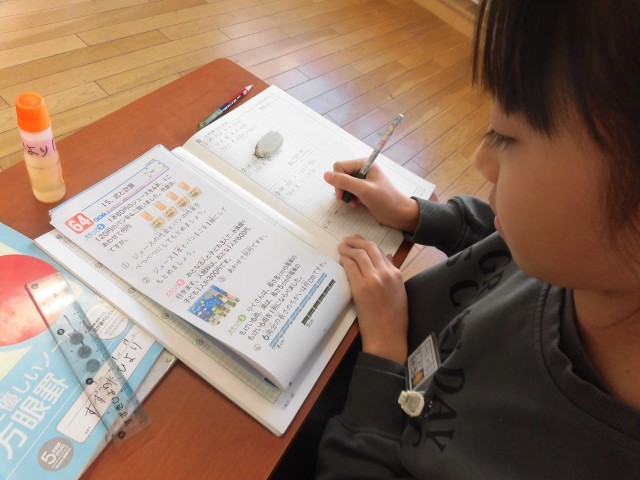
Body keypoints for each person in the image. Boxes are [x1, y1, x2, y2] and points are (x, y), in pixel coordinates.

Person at [314, 0, 640, 478]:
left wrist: (384, 353)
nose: (482, 160)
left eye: (507, 137)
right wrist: (413, 213)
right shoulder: (581, 261)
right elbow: (503, 242)